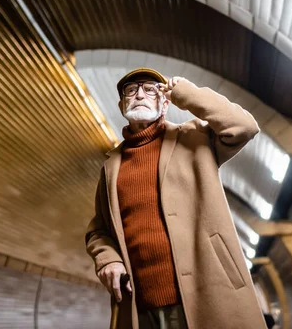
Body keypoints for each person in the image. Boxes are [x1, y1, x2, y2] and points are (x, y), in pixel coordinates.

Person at [85, 68, 267, 328]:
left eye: (150, 89)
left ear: (165, 103)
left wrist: (187, 94)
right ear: (122, 103)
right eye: (131, 90)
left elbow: (245, 127)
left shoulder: (195, 138)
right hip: (140, 304)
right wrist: (108, 258)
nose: (139, 94)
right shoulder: (111, 166)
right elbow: (98, 230)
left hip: (205, 293)